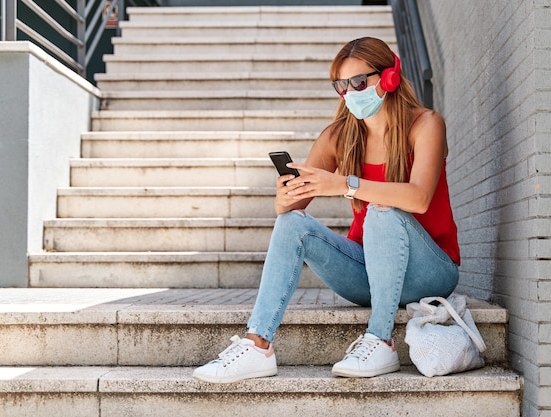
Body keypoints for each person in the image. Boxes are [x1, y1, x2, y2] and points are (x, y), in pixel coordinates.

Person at [192, 37, 460, 384]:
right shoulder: (339, 136)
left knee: (382, 210)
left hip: (431, 273)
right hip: (367, 274)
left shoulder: (425, 125)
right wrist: (287, 195)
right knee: (293, 223)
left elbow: (419, 198)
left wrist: (345, 184)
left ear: (390, 77)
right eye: (342, 86)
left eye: (359, 82)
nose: (351, 93)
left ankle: (380, 339)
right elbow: (287, 210)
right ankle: (257, 345)